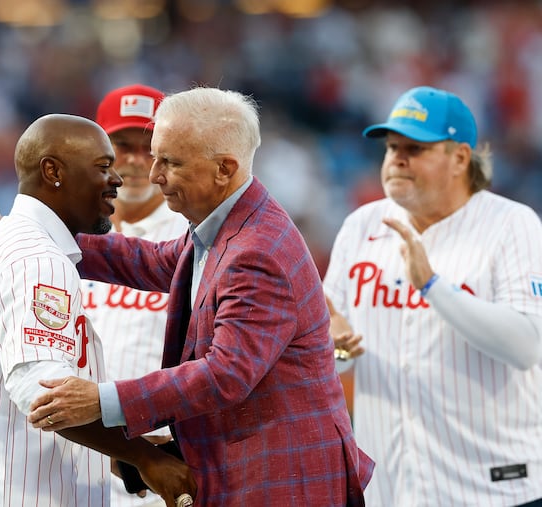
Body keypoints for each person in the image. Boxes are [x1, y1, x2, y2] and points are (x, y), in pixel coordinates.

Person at [27, 87, 375, 506]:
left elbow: (224, 374)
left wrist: (100, 400)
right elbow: (153, 260)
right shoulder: (225, 224)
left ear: (224, 169)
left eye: (168, 162)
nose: (154, 174)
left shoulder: (256, 251)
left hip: (280, 477)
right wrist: (40, 233)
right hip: (248, 464)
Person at [0, 114, 196, 506]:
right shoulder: (38, 258)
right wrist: (142, 455)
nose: (117, 180)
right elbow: (44, 395)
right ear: (53, 171)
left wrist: (122, 452)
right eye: (103, 167)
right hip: (5, 491)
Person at [323, 85, 542, 506]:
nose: (397, 159)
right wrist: (336, 347)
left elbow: (527, 346)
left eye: (415, 148)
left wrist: (433, 286)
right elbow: (335, 346)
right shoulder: (361, 225)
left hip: (493, 489)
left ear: (460, 157)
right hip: (391, 488)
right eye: (391, 147)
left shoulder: (512, 224)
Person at [85, 83, 189, 507]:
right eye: (120, 144)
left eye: (148, 147)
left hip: (155, 457)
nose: (132, 160)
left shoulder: (189, 235)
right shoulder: (70, 233)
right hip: (78, 453)